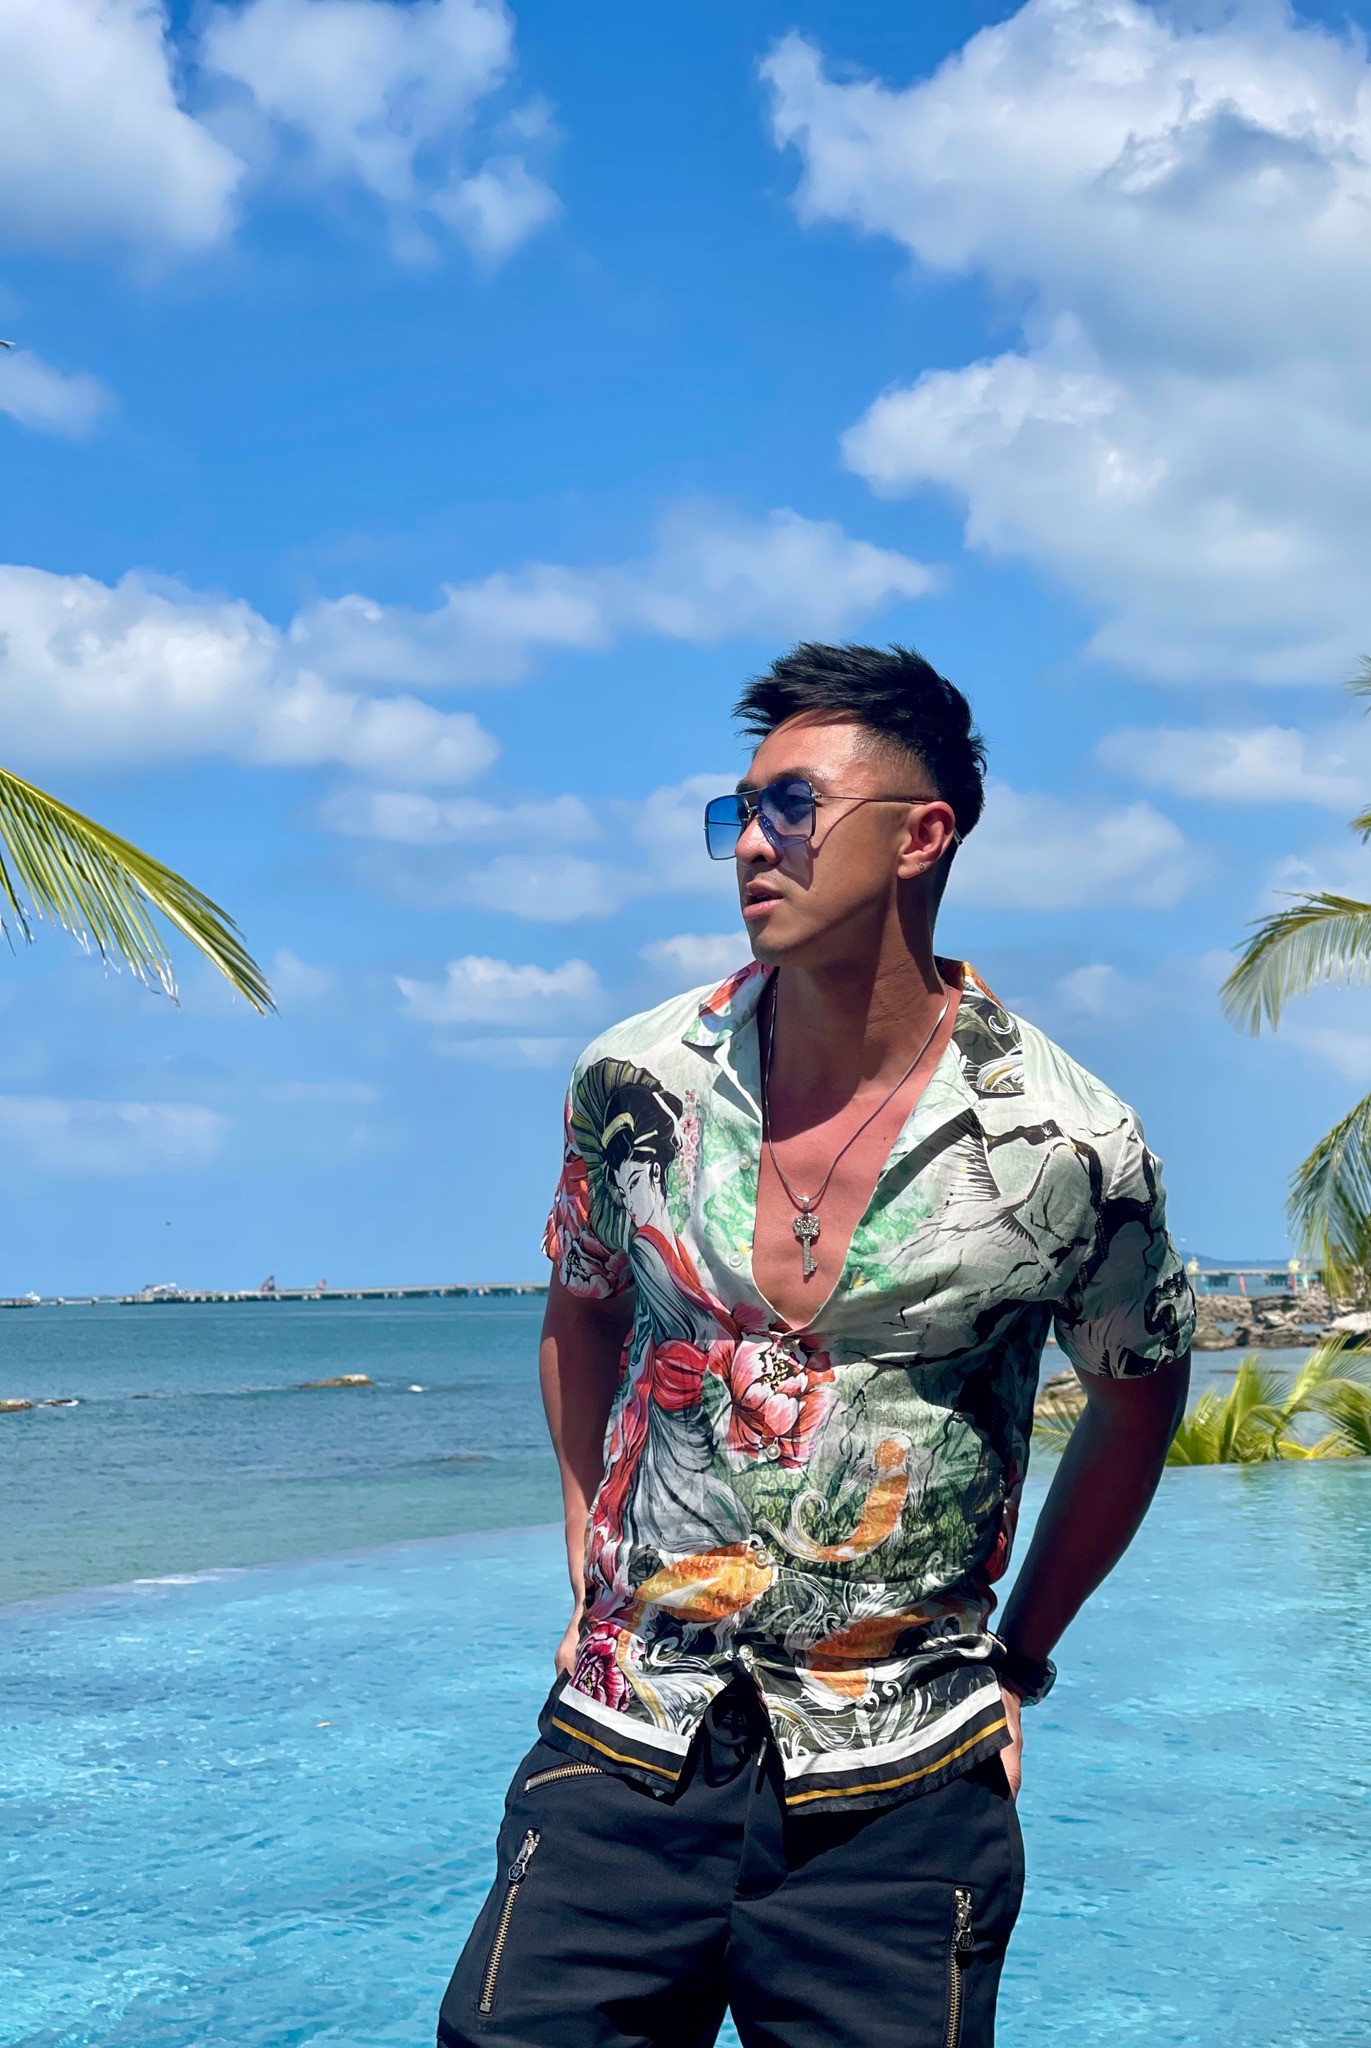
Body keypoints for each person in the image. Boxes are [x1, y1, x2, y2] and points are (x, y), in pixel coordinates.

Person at [438, 642, 1194, 2048]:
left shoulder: (1069, 1142)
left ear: (922, 835)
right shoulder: (635, 1080)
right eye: (739, 811)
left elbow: (1138, 1394)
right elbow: (586, 1302)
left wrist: (1020, 1660)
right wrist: (585, 1552)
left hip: (902, 1784)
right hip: (626, 1732)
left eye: (794, 805)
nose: (750, 844)